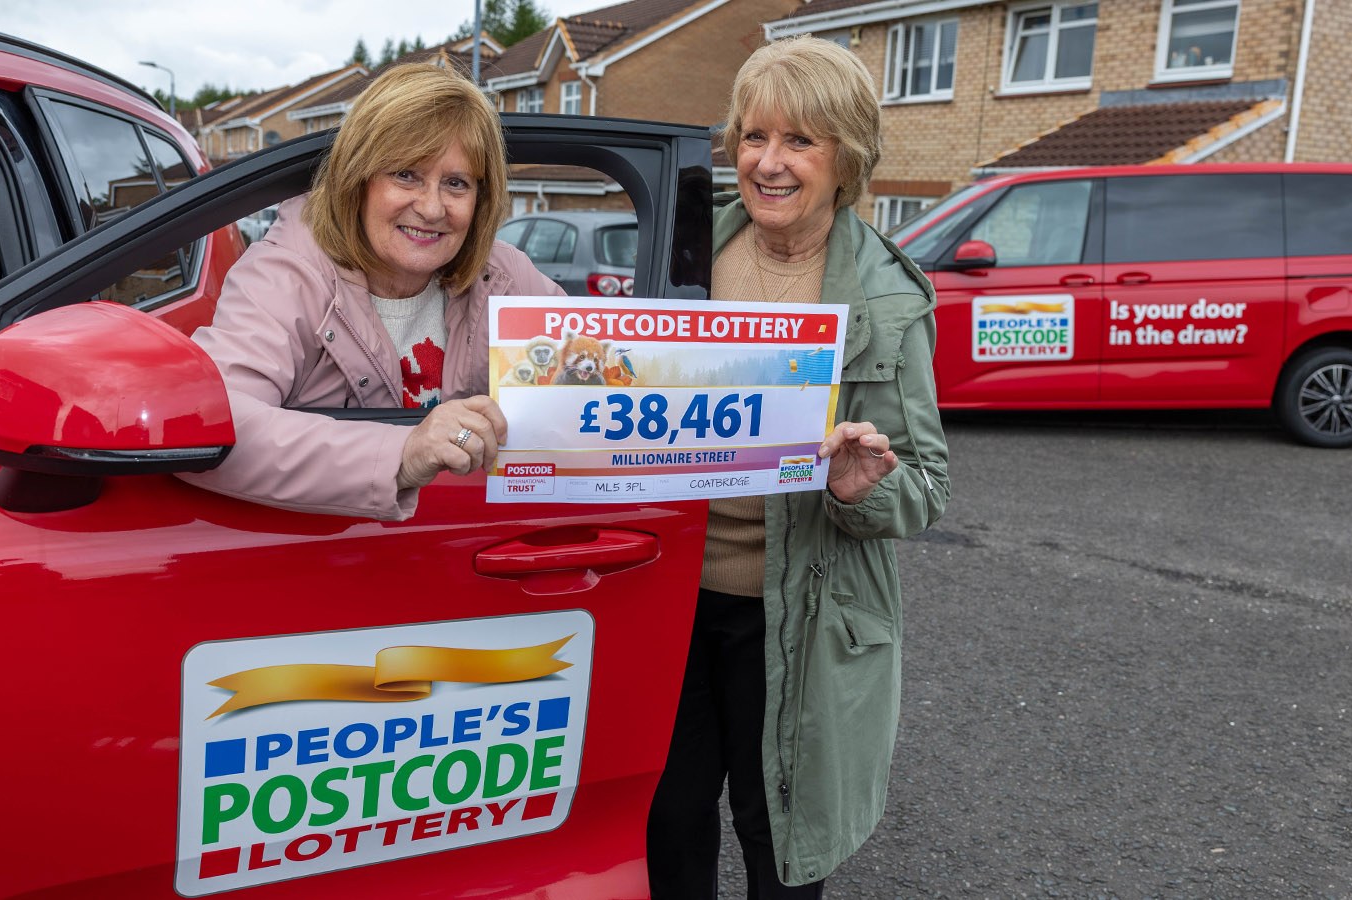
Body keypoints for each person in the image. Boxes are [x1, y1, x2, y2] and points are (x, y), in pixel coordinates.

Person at [646, 36, 950, 898]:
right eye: (753, 136)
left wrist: (864, 491)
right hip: (668, 597)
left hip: (801, 612)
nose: (768, 163)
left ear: (846, 158)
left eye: (799, 142)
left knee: (778, 833)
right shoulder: (689, 244)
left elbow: (928, 485)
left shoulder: (888, 300)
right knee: (666, 817)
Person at [179, 63, 563, 520]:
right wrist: (403, 452)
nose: (432, 207)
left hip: (457, 553)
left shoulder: (503, 275)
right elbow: (212, 425)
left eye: (456, 183)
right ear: (358, 179)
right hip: (317, 557)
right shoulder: (286, 274)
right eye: (406, 174)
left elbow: (596, 367)